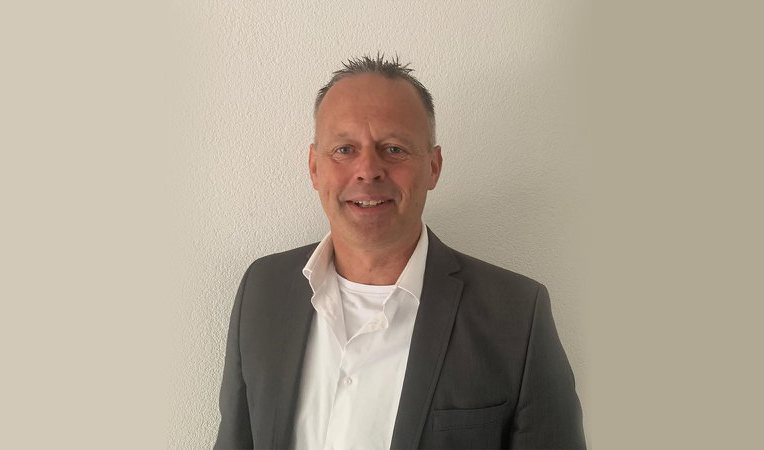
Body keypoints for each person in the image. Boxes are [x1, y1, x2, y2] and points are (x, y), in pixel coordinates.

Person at [214, 55, 585, 450]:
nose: (368, 170)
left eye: (393, 149)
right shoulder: (263, 288)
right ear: (314, 167)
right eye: (344, 149)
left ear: (434, 167)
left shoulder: (516, 316)